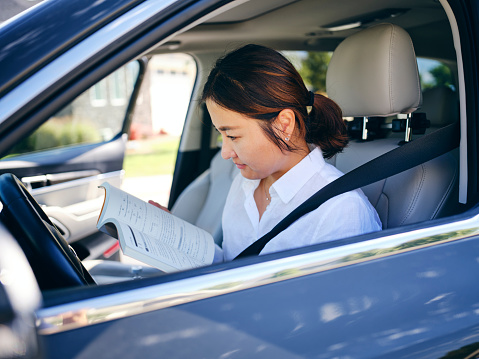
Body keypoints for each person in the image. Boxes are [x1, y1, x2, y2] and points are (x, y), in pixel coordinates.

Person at [200, 44, 382, 262]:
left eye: (233, 136)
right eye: (221, 135)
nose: (226, 153)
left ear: (284, 125)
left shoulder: (340, 211)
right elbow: (234, 267)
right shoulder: (244, 184)